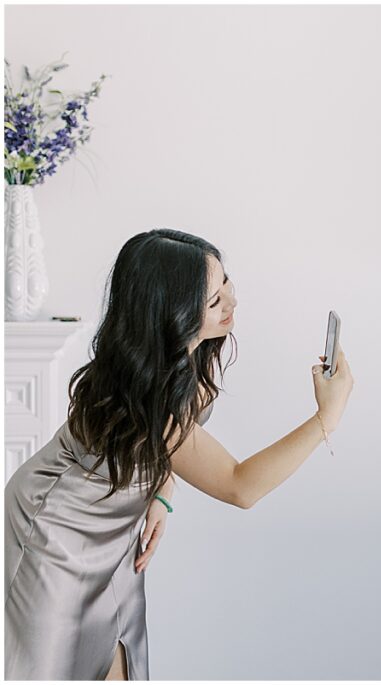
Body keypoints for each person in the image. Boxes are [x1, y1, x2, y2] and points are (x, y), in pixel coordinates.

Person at [4, 229, 354, 680]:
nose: (231, 301)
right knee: (61, 661)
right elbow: (238, 485)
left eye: (226, 282)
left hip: (113, 527)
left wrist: (160, 494)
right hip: (57, 534)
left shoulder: (176, 356)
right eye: (213, 301)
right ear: (173, 316)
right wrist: (327, 417)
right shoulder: (150, 394)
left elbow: (167, 452)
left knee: (119, 655)